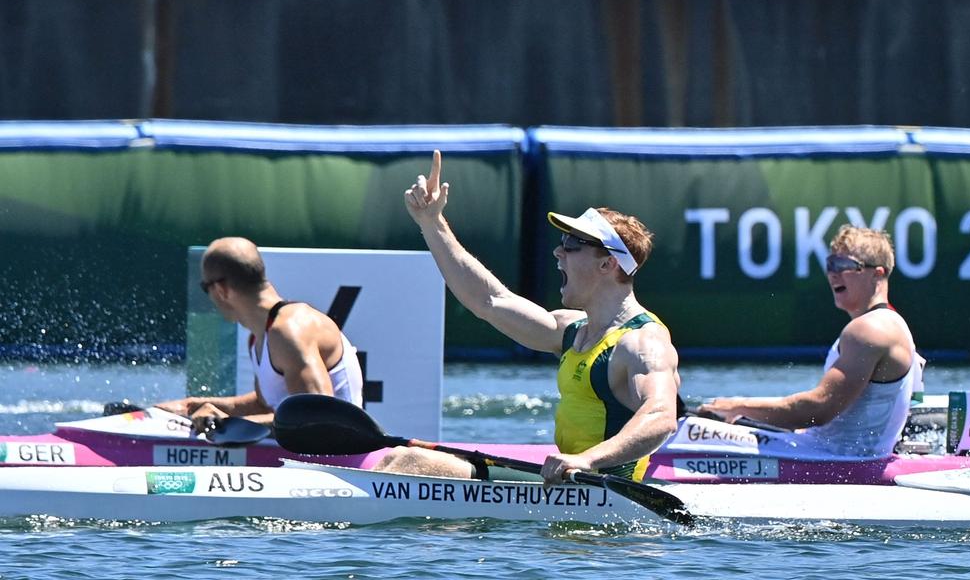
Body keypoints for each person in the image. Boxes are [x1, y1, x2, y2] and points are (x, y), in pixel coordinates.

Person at [375, 151, 680, 483]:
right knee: (399, 460)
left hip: (604, 494)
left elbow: (663, 415)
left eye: (572, 244)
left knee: (410, 464)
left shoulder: (642, 342)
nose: (558, 252)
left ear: (608, 264)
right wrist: (431, 222)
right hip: (569, 485)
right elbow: (489, 300)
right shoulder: (571, 330)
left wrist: (586, 460)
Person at [695, 225, 923, 459]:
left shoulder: (868, 330)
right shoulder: (892, 325)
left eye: (845, 266)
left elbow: (819, 409)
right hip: (840, 454)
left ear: (877, 273)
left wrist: (738, 406)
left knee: (693, 435)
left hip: (839, 463)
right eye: (831, 265)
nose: (834, 274)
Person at [157, 237, 364, 434]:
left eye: (205, 288)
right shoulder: (259, 336)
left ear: (221, 290)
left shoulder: (290, 331)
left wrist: (227, 422)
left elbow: (319, 418)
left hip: (341, 463)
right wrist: (193, 406)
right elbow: (264, 405)